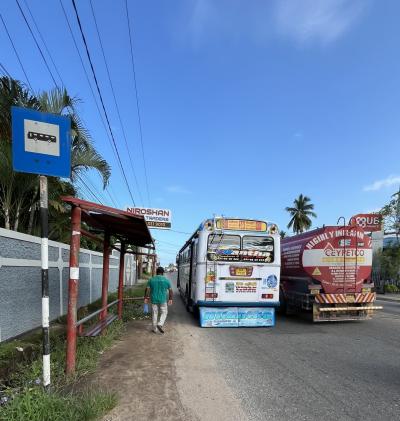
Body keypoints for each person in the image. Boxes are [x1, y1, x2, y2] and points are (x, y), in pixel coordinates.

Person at [144, 267, 173, 334]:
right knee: (164, 312)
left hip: (154, 299)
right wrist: (170, 299)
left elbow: (147, 289)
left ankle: (154, 329)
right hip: (163, 300)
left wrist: (146, 298)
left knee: (155, 313)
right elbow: (171, 291)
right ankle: (160, 324)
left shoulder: (151, 280)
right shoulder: (166, 280)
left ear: (156, 272)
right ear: (163, 273)